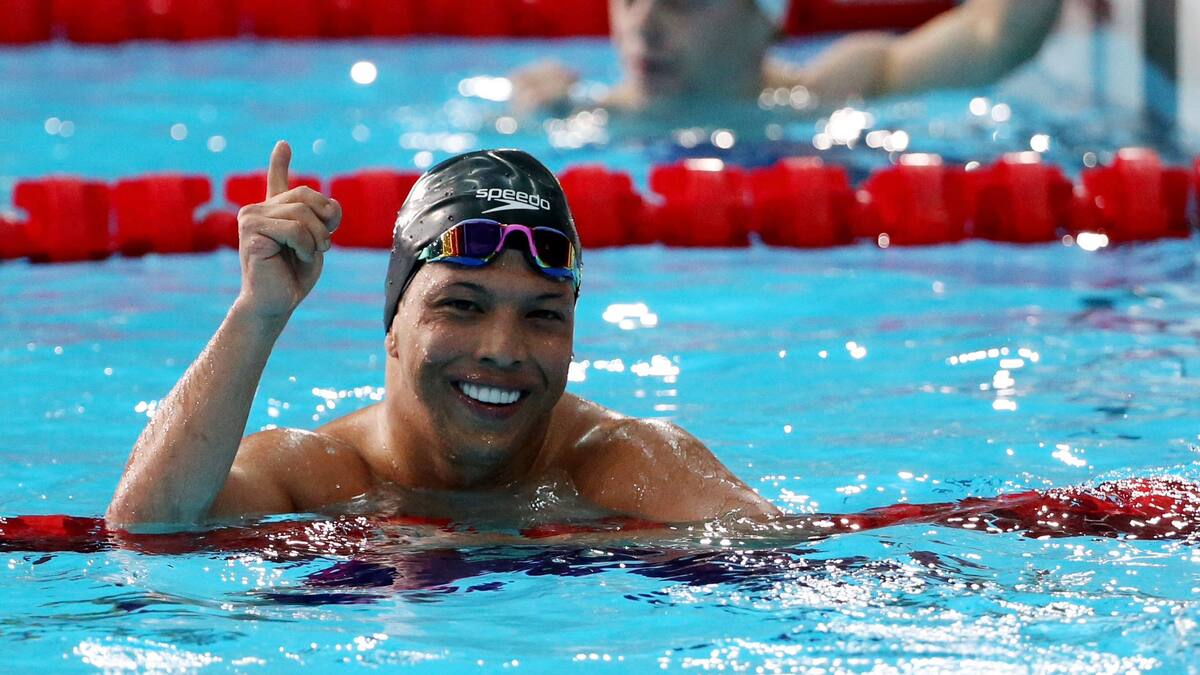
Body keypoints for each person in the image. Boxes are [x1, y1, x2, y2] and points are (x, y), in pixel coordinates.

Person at [105, 143, 781, 531]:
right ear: (394, 324)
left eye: (543, 314)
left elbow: (778, 561)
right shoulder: (319, 474)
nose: (503, 348)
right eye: (462, 305)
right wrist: (258, 312)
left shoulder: (619, 464)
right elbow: (146, 523)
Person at [510, 0, 1064, 116]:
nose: (642, 28)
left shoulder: (836, 90)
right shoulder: (572, 116)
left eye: (683, 3)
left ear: (765, 19)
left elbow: (997, 36)